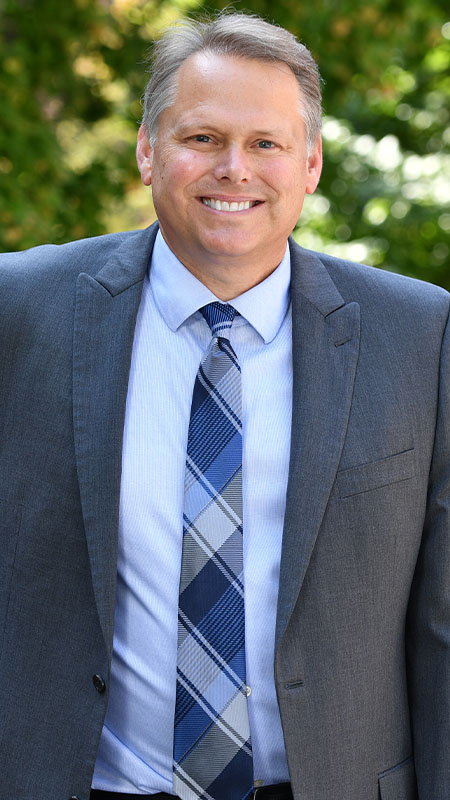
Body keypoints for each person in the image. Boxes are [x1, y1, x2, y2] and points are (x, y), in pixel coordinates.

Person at [0, 11, 449, 800]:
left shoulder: (421, 336)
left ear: (310, 164)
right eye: (201, 138)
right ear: (147, 151)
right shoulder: (21, 313)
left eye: (266, 144)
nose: (234, 168)